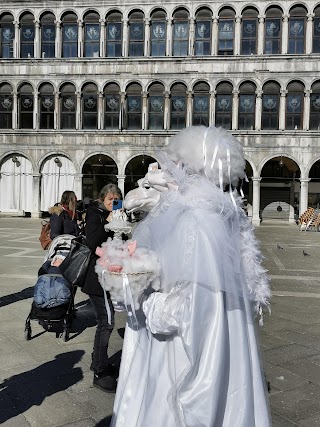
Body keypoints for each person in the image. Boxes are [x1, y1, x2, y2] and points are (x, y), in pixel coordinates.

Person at [111, 126, 271, 426]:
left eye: (176, 166)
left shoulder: (194, 221)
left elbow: (191, 311)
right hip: (225, 358)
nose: (170, 173)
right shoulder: (224, 218)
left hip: (182, 362)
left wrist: (143, 295)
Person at [82, 183, 123, 393]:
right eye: (110, 200)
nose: (113, 204)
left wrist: (121, 223)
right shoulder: (94, 214)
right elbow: (92, 242)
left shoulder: (114, 215)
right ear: (102, 199)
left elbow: (121, 241)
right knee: (106, 322)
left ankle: (99, 362)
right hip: (96, 278)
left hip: (108, 276)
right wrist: (108, 222)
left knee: (106, 320)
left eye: (116, 200)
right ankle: (99, 371)